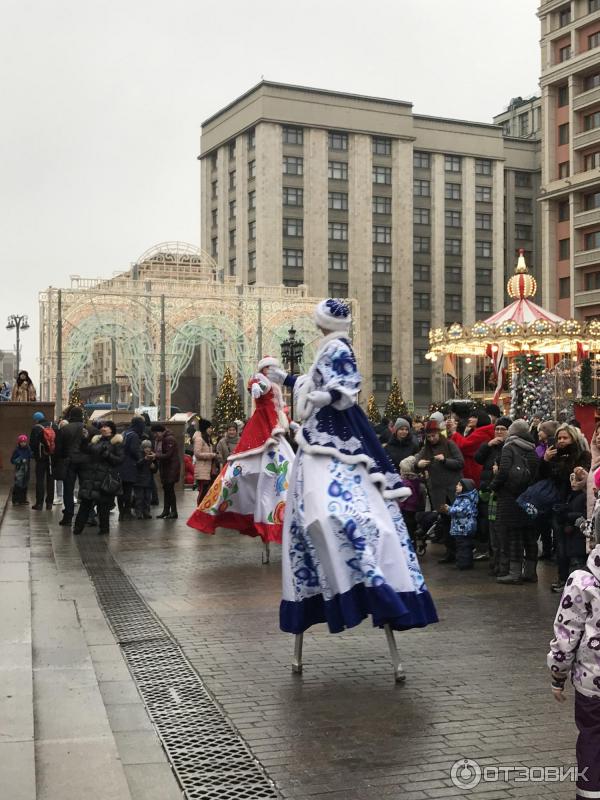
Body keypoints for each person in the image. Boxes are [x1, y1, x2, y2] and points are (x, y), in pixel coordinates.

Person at [279, 298, 437, 638]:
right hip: (319, 431)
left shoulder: (337, 347)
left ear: (325, 322)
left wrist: (328, 396)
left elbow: (348, 382)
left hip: (334, 429)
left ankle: (366, 573)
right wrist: (288, 379)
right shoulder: (327, 348)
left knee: (328, 507)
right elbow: (313, 382)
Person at [187, 357, 294, 543]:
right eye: (271, 369)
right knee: (241, 471)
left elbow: (280, 412)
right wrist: (255, 386)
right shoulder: (264, 381)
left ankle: (280, 516)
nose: (274, 372)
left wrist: (291, 425)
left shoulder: (276, 388)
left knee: (282, 471)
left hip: (275, 432)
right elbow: (255, 382)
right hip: (261, 429)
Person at [547, 544, 600, 800]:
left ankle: (590, 794)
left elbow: (566, 634)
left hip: (593, 684)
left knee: (592, 737)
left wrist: (558, 674)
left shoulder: (582, 581)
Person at [540, 423, 592, 593]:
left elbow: (572, 477)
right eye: (559, 438)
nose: (561, 441)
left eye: (565, 438)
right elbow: (543, 477)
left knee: (576, 546)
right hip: (558, 505)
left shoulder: (582, 455)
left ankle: (578, 580)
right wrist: (546, 461)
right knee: (561, 545)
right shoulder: (553, 455)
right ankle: (563, 578)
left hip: (577, 504)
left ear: (573, 438)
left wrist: (562, 461)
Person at [492, 419, 540, 585]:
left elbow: (504, 470)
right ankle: (531, 572)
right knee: (529, 536)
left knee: (514, 537)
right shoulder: (533, 450)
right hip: (529, 498)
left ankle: (514, 574)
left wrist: (494, 486)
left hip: (510, 498)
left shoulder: (510, 447)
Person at [416, 419, 464, 564]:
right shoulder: (426, 449)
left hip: (452, 491)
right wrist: (418, 464)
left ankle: (460, 553)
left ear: (438, 433)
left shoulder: (449, 444)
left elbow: (460, 463)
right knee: (445, 523)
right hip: (438, 492)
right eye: (429, 437)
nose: (432, 439)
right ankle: (450, 552)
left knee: (456, 522)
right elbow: (416, 461)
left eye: (434, 436)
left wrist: (445, 460)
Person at [73, 421, 124, 536]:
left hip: (105, 478)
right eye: (102, 427)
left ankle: (104, 529)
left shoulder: (117, 443)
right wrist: (85, 440)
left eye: (106, 427)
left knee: (103, 506)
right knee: (85, 504)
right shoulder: (95, 440)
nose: (103, 428)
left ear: (112, 430)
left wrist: (107, 454)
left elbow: (119, 460)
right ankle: (77, 528)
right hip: (90, 477)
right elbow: (86, 450)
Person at [474, 416, 511, 574]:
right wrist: (487, 445)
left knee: (499, 530)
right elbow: (478, 458)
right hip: (487, 491)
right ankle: (493, 560)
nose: (499, 432)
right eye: (497, 429)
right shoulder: (490, 446)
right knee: (489, 527)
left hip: (501, 492)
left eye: (503, 429)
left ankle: (501, 563)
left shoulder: (509, 447)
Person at [446, 410, 495, 488]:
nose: (470, 419)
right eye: (470, 416)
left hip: (474, 469)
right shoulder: (477, 431)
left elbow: (464, 446)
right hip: (474, 468)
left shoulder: (482, 433)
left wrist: (454, 432)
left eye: (474, 417)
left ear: (481, 419)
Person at [55, 406, 86, 526]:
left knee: (68, 489)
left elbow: (59, 449)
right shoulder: (88, 428)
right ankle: (89, 515)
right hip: (84, 462)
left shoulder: (64, 429)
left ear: (70, 415)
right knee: (85, 487)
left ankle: (68, 516)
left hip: (69, 462)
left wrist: (61, 458)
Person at [444, 478, 479, 570]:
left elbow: (461, 511)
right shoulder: (461, 497)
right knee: (463, 545)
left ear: (465, 487)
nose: (457, 486)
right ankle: (464, 563)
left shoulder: (466, 499)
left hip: (464, 527)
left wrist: (449, 509)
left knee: (463, 546)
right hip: (461, 527)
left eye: (459, 485)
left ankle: (463, 564)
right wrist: (450, 508)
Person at [118, 416, 146, 520]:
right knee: (127, 490)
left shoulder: (125, 433)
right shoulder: (134, 435)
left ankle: (121, 513)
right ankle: (127, 512)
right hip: (130, 466)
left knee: (121, 491)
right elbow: (134, 450)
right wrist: (141, 459)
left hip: (121, 465)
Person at [150, 424, 181, 519]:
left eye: (156, 433)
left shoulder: (169, 439)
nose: (155, 435)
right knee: (166, 489)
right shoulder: (159, 440)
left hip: (171, 468)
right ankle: (166, 511)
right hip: (165, 467)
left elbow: (168, 454)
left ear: (161, 431)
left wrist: (156, 456)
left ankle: (174, 511)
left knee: (170, 490)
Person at [29, 411, 55, 510]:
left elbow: (32, 444)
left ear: (36, 419)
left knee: (40, 480)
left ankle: (39, 504)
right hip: (52, 458)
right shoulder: (54, 425)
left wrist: (35, 454)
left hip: (40, 458)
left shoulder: (36, 428)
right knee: (51, 480)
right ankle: (49, 503)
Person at [399, 456, 425, 544]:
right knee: (411, 532)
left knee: (407, 533)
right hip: (414, 510)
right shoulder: (417, 481)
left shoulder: (405, 483)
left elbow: (403, 499)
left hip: (406, 510)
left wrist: (399, 507)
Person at [192, 419, 215, 504]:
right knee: (202, 492)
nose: (211, 430)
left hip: (207, 470)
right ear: (205, 428)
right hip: (202, 470)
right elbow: (197, 454)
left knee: (205, 492)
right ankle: (198, 511)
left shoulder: (207, 438)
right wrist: (212, 455)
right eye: (210, 428)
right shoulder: (199, 439)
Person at [133, 440, 154, 519]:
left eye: (149, 447)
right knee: (139, 498)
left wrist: (154, 466)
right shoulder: (139, 454)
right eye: (145, 447)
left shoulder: (152, 456)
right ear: (142, 448)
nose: (147, 449)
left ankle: (146, 512)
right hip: (139, 480)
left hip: (148, 480)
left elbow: (155, 469)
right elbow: (137, 465)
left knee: (147, 498)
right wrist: (144, 459)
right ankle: (138, 513)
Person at [11, 434, 32, 505]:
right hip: (19, 469)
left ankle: (23, 499)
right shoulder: (16, 450)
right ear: (19, 442)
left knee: (25, 484)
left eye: (24, 442)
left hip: (27, 469)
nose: (23, 443)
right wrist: (19, 460)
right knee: (18, 484)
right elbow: (12, 460)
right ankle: (15, 500)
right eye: (21, 442)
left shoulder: (28, 449)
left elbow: (31, 455)